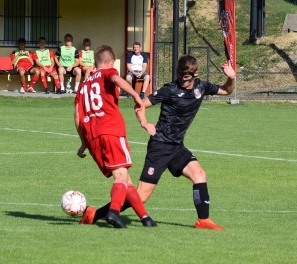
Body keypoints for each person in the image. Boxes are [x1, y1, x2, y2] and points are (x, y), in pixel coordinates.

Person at [80, 55, 236, 230]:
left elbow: (226, 91)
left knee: (199, 174)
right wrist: (145, 122)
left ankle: (203, 220)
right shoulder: (169, 89)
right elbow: (140, 105)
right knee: (140, 196)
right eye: (179, 76)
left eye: (186, 77)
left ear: (195, 74)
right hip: (160, 146)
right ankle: (95, 214)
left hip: (177, 146)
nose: (182, 81)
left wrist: (230, 77)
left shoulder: (202, 87)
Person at [75, 45, 157, 229]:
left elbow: (77, 117)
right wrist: (137, 95)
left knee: (126, 179)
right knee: (121, 175)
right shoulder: (107, 73)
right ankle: (113, 212)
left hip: (93, 137)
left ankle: (145, 218)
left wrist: (83, 143)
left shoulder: (82, 87)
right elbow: (116, 79)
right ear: (111, 62)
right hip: (111, 129)